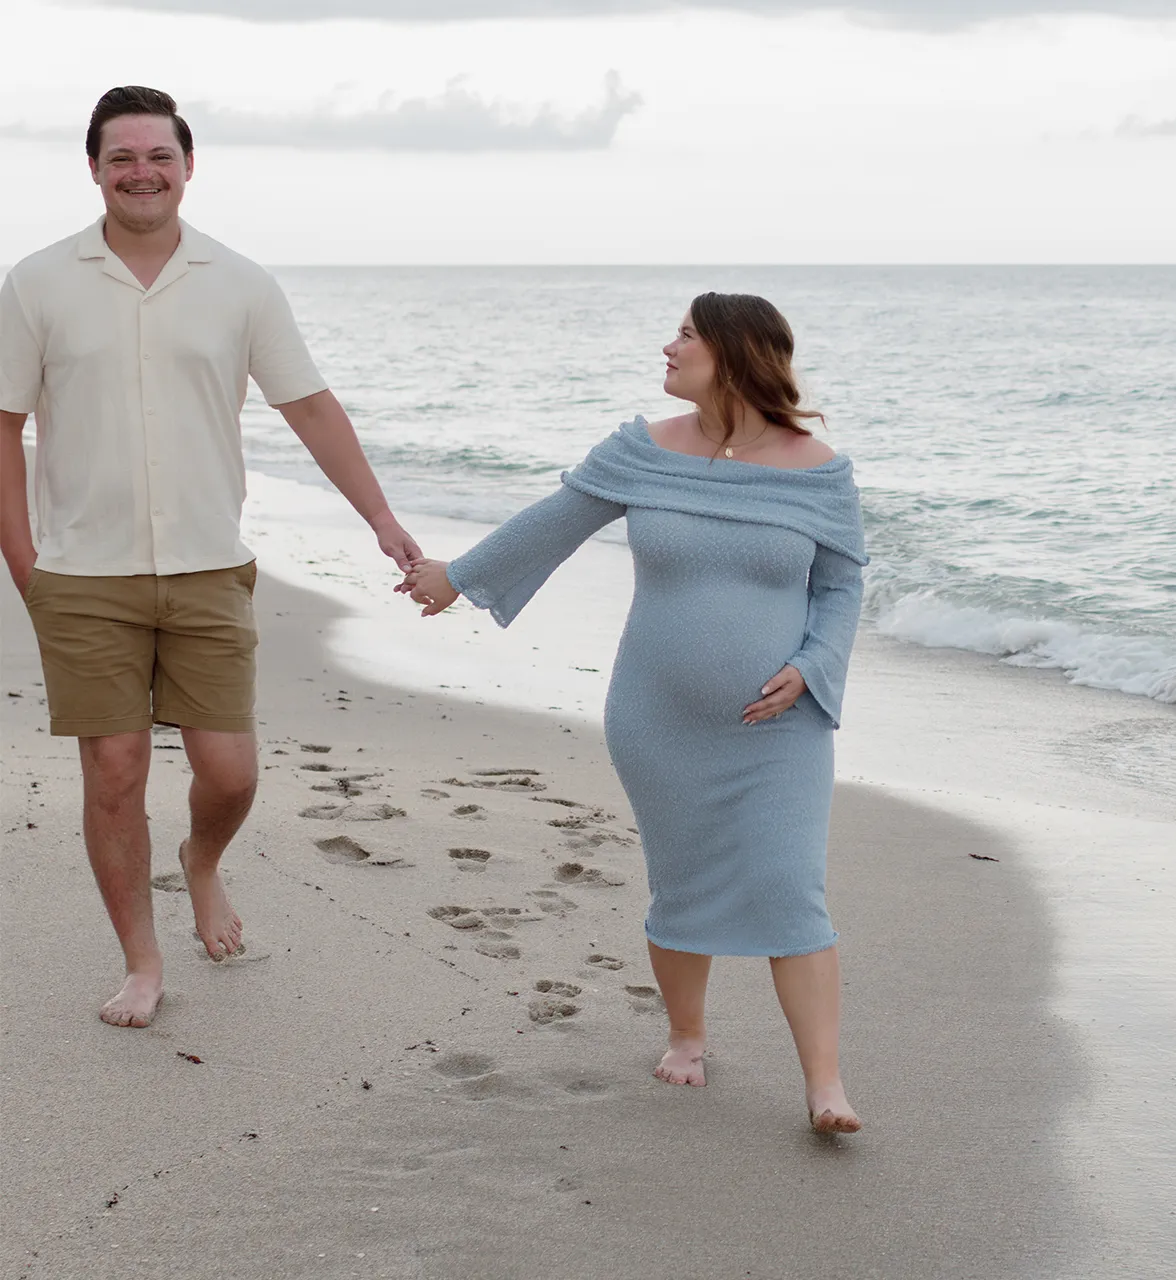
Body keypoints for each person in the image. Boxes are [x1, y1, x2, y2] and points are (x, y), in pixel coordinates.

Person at [0, 86, 422, 1028]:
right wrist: (21, 555)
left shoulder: (240, 282)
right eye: (122, 157)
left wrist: (382, 519)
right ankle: (142, 963)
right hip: (82, 575)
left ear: (188, 166)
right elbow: (4, 425)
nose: (141, 172)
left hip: (205, 566)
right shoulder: (35, 282)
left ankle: (201, 861)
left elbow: (309, 406)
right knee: (113, 774)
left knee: (230, 775)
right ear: (95, 168)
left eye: (159, 155)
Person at [401, 293, 866, 1133]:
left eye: (686, 335)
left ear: (734, 352)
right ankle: (687, 1035)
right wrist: (457, 576)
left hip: (781, 725)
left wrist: (813, 665)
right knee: (682, 881)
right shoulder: (642, 451)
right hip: (659, 718)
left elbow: (840, 587)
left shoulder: (820, 471)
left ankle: (825, 1086)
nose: (669, 346)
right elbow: (553, 523)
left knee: (789, 885)